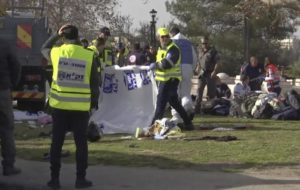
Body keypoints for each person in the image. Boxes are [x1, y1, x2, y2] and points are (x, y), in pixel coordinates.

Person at [41, 24, 100, 189]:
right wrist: (93, 104)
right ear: (78, 36)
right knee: (81, 144)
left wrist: (55, 35)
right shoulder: (89, 55)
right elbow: (95, 84)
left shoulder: (57, 52)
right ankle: (80, 179)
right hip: (81, 109)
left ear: (63, 37)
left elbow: (44, 47)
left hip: (59, 107)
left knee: (56, 143)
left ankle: (54, 180)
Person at [149, 27, 193, 130]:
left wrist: (155, 65)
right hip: (165, 80)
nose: (165, 39)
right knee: (175, 103)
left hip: (170, 80)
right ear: (158, 38)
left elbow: (167, 64)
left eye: (167, 36)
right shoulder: (162, 49)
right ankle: (188, 123)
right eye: (162, 37)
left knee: (160, 104)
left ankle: (153, 128)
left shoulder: (173, 49)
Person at [0, 37, 21, 176]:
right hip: (2, 91)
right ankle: (8, 166)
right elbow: (16, 65)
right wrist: (11, 84)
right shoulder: (4, 44)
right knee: (6, 128)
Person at [169, 26, 198, 123]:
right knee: (185, 93)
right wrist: (191, 70)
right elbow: (194, 59)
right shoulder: (188, 42)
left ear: (171, 33)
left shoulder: (171, 42)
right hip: (187, 69)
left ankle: (176, 116)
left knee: (175, 94)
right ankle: (188, 108)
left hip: (175, 70)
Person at [194, 36, 221, 113]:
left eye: (206, 43)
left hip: (210, 73)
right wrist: (197, 68)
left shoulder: (213, 51)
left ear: (208, 43)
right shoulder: (200, 51)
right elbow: (199, 61)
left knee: (211, 93)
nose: (204, 45)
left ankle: (210, 109)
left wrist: (214, 72)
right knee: (199, 91)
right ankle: (197, 109)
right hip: (202, 74)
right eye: (203, 43)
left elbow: (217, 62)